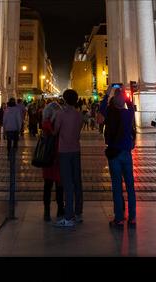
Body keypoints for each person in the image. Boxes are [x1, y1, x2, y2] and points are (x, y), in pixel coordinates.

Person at [100, 85, 137, 227]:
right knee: (130, 186)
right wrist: (125, 96)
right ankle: (132, 218)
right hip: (126, 154)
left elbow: (102, 108)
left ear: (113, 102)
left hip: (114, 153)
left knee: (117, 186)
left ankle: (119, 219)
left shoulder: (110, 112)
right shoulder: (129, 114)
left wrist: (108, 92)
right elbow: (131, 105)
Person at [53, 88, 84, 227]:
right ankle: (78, 213)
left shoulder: (60, 113)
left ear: (64, 100)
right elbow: (78, 131)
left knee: (67, 183)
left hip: (64, 150)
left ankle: (68, 217)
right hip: (76, 150)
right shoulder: (79, 115)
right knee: (77, 182)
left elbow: (55, 131)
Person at [41, 102, 65, 222]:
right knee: (59, 186)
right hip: (57, 157)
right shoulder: (56, 125)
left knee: (47, 186)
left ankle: (47, 211)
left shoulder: (45, 123)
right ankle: (60, 209)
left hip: (47, 158)